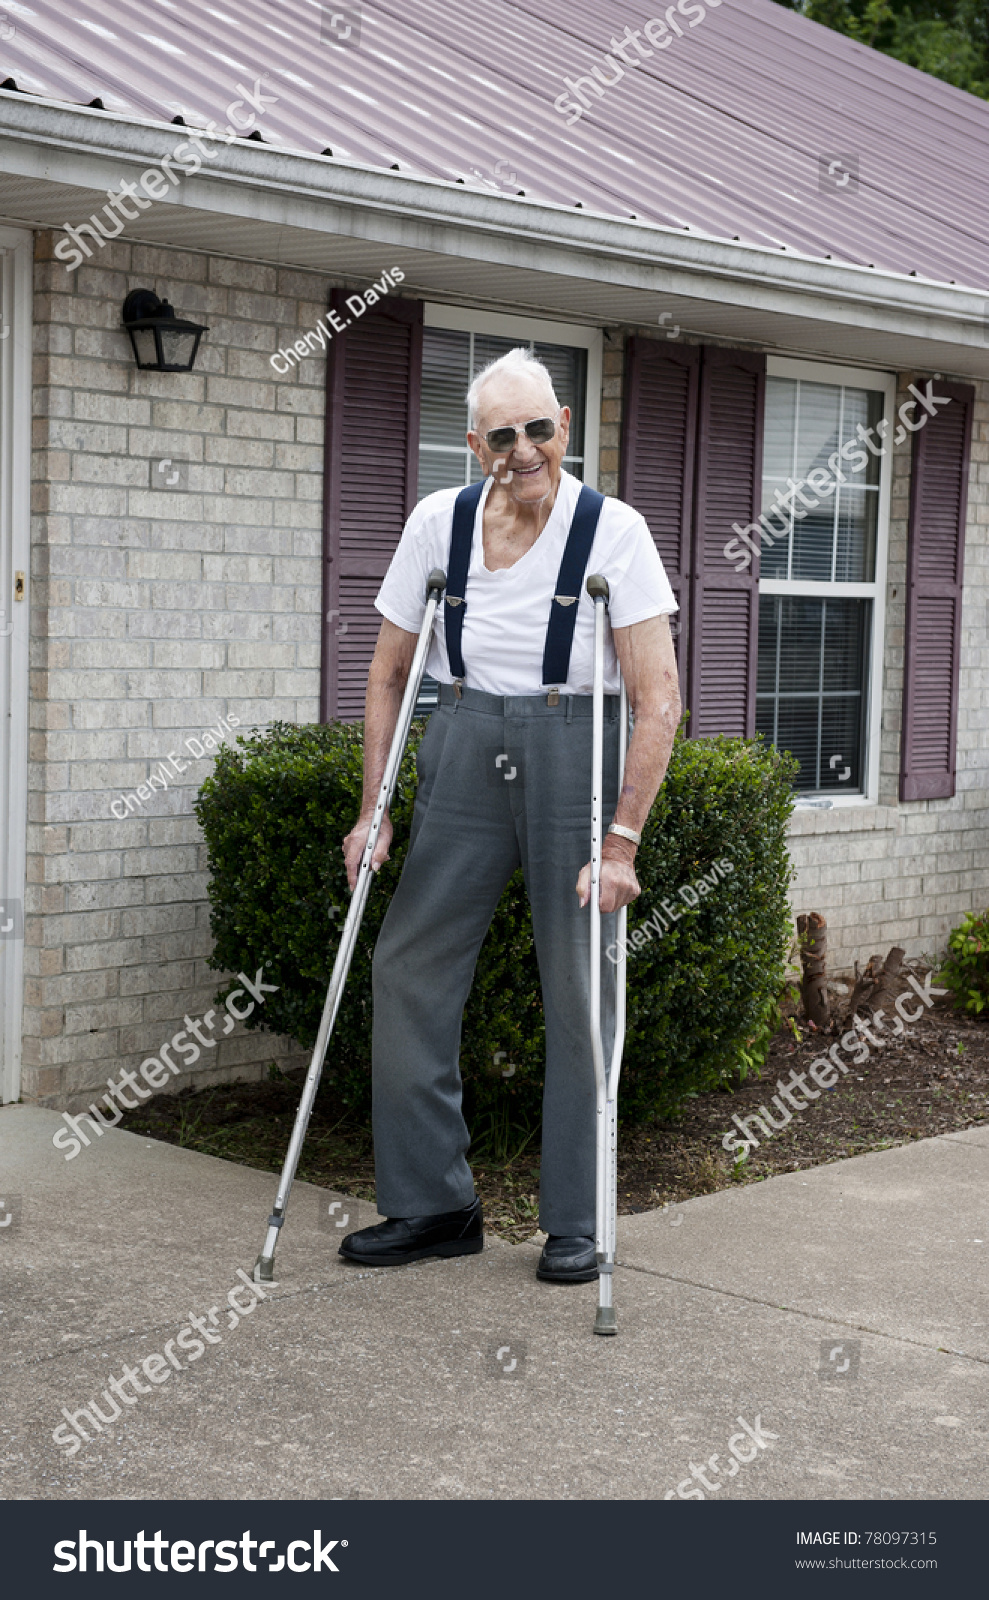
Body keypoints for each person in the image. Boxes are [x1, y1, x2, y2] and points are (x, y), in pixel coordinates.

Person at [338, 347, 681, 1281]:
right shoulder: (435, 523)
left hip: (574, 747)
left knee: (578, 981)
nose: (523, 449)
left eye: (538, 428)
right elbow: (387, 675)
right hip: (460, 737)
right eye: (503, 434)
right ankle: (432, 1206)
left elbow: (658, 700)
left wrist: (621, 839)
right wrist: (374, 809)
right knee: (407, 963)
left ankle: (578, 1219)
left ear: (564, 425)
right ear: (473, 442)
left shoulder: (614, 532)